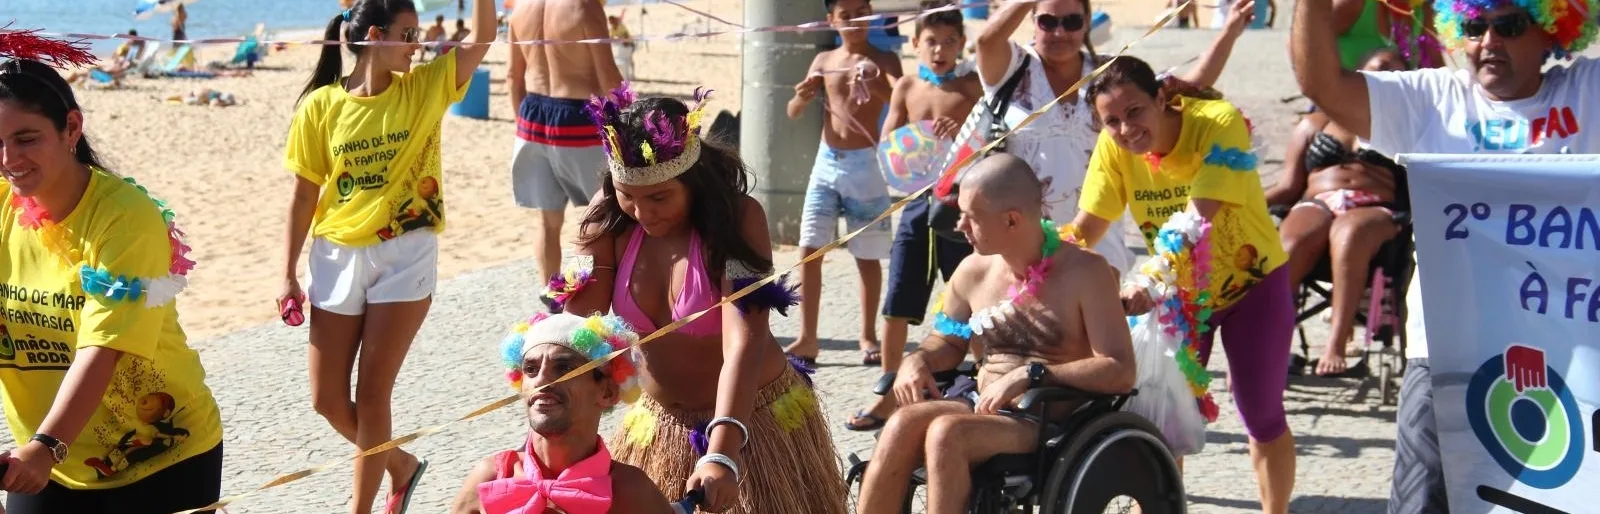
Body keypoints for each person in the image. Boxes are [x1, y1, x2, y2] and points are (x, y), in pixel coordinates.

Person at [1289, 0, 1598, 510]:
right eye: (1474, 26)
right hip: (1445, 353)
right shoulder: (1432, 99)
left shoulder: (1587, 93)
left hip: (1573, 351)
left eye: (1510, 25)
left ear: (1551, 30)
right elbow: (1322, 83)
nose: (1487, 42)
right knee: (1422, 503)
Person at [550, 86, 848, 514]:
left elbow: (744, 342)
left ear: (693, 182)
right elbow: (579, 327)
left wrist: (723, 452)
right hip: (659, 427)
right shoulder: (609, 218)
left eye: (659, 197)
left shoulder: (739, 219)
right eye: (627, 194)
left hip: (752, 421)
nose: (643, 212)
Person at [277, 0, 495, 512]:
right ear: (375, 34)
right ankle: (399, 464)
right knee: (327, 400)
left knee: (373, 394)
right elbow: (303, 196)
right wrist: (286, 273)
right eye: (408, 33)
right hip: (335, 255)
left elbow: (483, 35)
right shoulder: (320, 106)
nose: (418, 44)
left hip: (407, 252)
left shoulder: (424, 88)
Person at [0, 34, 223, 514]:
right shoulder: (2, 208)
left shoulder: (126, 217)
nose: (8, 160)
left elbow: (102, 348)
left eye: (25, 138)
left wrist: (46, 446)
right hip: (50, 464)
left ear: (71, 128)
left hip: (160, 460)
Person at [1071, 56, 1295, 514]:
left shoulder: (1218, 123)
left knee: (1261, 412)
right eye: (1111, 120)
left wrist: (1149, 281)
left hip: (1252, 287)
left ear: (1161, 98)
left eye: (1135, 111)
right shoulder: (1113, 146)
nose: (1126, 129)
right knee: (1161, 419)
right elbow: (1087, 227)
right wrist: (1033, 261)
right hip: (1181, 297)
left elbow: (1197, 220)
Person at [853, 153, 1137, 514]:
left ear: (1011, 220)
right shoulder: (973, 271)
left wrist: (1031, 375)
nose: (959, 226)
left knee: (946, 433)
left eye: (970, 217)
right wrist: (917, 359)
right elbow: (948, 341)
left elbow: (1120, 370)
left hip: (1046, 419)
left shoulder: (1086, 273)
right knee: (902, 422)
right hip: (978, 402)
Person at [972, 0, 1257, 277]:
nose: (1060, 32)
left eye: (1072, 22)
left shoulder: (1109, 74)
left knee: (1095, 321)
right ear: (1033, 22)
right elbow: (986, 41)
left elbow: (1191, 85)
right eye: (1048, 21)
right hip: (1021, 232)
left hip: (1100, 234)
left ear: (1086, 24)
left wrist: (1229, 31)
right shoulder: (1010, 69)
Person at [844, 9, 980, 431]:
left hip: (962, 208)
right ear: (916, 43)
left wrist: (963, 134)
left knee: (975, 301)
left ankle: (983, 381)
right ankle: (887, 392)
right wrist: (919, 137)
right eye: (931, 41)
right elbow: (887, 141)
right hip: (917, 205)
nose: (939, 50)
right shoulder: (906, 85)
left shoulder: (973, 87)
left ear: (961, 43)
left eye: (949, 41)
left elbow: (994, 137)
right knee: (899, 297)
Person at [1267, 47, 1408, 377]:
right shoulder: (1316, 122)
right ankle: (1270, 345)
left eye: (1395, 74)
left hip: (1376, 209)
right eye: (1377, 71)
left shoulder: (1408, 126)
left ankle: (1335, 344)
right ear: (1357, 78)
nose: (1385, 78)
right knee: (1288, 244)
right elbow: (1288, 186)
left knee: (1350, 232)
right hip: (1319, 201)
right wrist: (1237, 205)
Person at [450, 313, 671, 514]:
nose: (541, 380)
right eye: (530, 369)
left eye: (564, 368)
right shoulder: (491, 478)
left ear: (607, 392)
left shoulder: (630, 491)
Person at [782, 0, 904, 366]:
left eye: (862, 11)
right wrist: (801, 97)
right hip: (827, 161)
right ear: (831, 20)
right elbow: (793, 111)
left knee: (867, 254)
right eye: (846, 15)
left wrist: (878, 84)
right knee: (809, 249)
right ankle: (807, 338)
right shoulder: (825, 61)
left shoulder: (884, 60)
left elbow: (904, 99)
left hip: (867, 163)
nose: (855, 21)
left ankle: (867, 335)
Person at [508, 0, 624, 291]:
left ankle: (552, 298)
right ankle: (608, 297)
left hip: (532, 117)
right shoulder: (584, 6)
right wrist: (629, 119)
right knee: (611, 214)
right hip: (577, 118)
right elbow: (607, 76)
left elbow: (513, 76)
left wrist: (520, 121)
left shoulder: (520, 9)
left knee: (548, 222)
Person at [1329, 0, 1443, 70]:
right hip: (1342, 105)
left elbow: (1437, 74)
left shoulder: (1422, 11)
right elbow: (1313, 48)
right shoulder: (1354, 3)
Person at [608, 15, 636, 82]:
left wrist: (624, 41)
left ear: (615, 20)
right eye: (610, 21)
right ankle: (627, 76)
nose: (611, 22)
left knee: (629, 59)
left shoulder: (621, 26)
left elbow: (626, 35)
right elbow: (610, 37)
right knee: (624, 60)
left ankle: (633, 74)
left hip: (628, 44)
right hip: (621, 46)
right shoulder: (612, 28)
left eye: (612, 20)